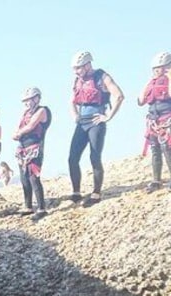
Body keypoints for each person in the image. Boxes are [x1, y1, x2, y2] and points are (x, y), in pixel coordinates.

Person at [68, 50, 125, 207]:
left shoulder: (102, 77)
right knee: (72, 158)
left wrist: (108, 116)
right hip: (82, 122)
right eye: (74, 69)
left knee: (94, 156)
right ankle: (76, 192)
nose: (76, 71)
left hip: (96, 121)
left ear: (87, 65)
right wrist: (75, 115)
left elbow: (119, 95)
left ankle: (96, 192)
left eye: (78, 68)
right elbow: (72, 101)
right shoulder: (77, 80)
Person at [12, 87, 51, 220]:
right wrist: (16, 133)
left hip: (35, 147)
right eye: (25, 101)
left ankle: (41, 208)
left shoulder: (42, 110)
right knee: (24, 177)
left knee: (34, 177)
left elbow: (31, 126)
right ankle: (28, 206)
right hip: (23, 148)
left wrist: (18, 133)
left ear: (36, 99)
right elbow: (19, 127)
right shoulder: (25, 113)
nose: (27, 103)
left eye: (29, 100)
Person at [138, 51, 171, 192]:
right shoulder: (152, 82)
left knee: (167, 148)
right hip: (153, 120)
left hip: (167, 118)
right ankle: (156, 180)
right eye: (154, 69)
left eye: (159, 68)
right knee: (155, 149)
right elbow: (140, 101)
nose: (156, 71)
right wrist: (148, 82)